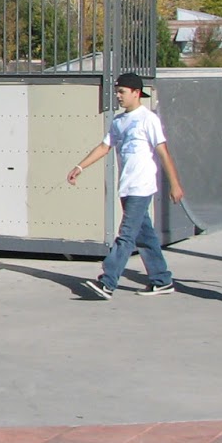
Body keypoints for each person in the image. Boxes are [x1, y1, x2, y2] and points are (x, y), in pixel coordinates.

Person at [66, 71, 185, 299]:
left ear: (136, 93)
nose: (118, 96)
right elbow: (104, 147)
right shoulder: (119, 121)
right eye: (116, 92)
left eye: (122, 92)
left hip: (141, 186)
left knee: (126, 236)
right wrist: (79, 167)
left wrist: (175, 184)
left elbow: (163, 152)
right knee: (145, 236)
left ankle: (107, 282)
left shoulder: (148, 119)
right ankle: (162, 280)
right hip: (127, 187)